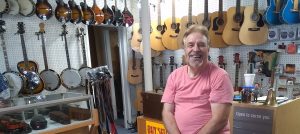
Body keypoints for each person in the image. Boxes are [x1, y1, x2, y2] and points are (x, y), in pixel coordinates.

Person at [161, 25, 234, 134]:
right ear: (185, 49)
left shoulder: (220, 76)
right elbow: (167, 112)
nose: (195, 49)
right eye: (190, 45)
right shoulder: (174, 76)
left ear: (208, 49)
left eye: (201, 45)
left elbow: (220, 120)